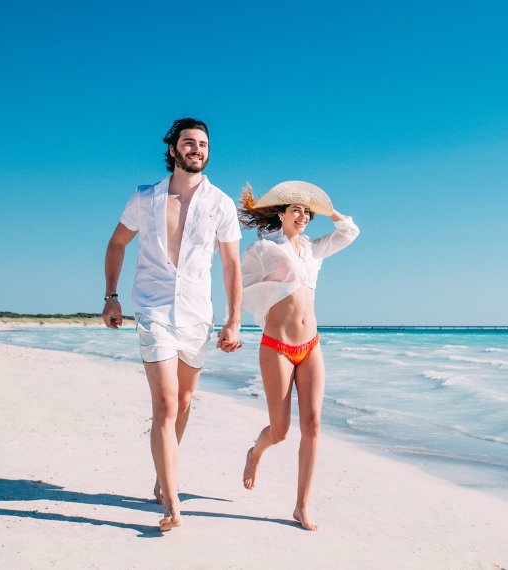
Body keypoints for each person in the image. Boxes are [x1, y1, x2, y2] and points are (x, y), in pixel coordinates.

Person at [101, 118, 243, 531]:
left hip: (197, 315)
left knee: (182, 403)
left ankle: (162, 478)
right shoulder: (145, 198)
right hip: (154, 311)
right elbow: (117, 243)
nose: (197, 149)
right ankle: (172, 502)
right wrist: (111, 296)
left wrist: (234, 320)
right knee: (164, 404)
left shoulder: (221, 203)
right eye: (189, 142)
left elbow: (231, 265)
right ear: (173, 149)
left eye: (203, 144)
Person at [238, 181, 359, 530]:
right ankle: (255, 452)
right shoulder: (263, 248)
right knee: (280, 431)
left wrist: (328, 209)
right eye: (296, 209)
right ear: (281, 214)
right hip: (277, 345)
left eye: (307, 212)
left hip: (311, 346)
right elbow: (239, 286)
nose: (303, 215)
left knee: (313, 425)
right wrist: (234, 322)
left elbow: (349, 232)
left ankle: (301, 506)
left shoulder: (312, 249)